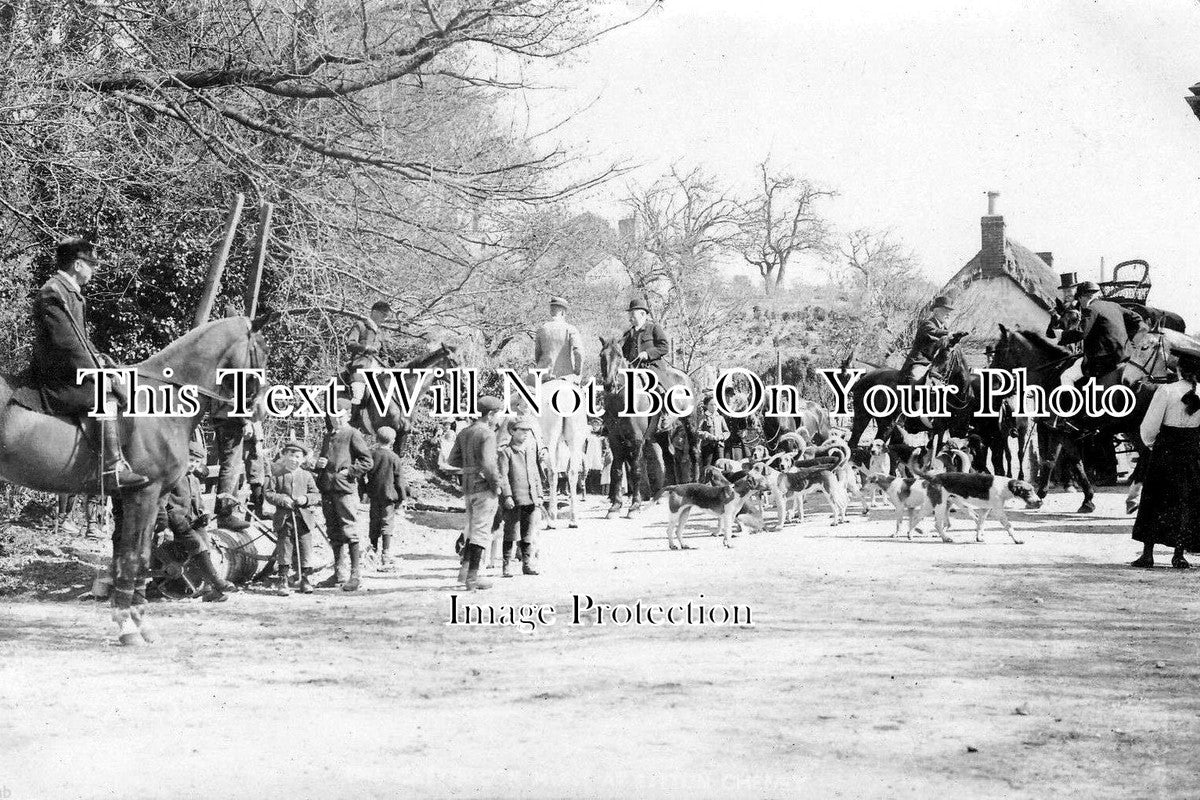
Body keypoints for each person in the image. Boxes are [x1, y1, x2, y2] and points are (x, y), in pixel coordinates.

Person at [31, 239, 147, 489]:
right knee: (105, 397)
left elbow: (81, 341)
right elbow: (65, 343)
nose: (93, 270)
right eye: (91, 265)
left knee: (120, 384)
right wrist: (96, 374)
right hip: (57, 375)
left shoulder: (68, 290)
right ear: (77, 264)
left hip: (70, 368)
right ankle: (112, 468)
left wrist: (101, 359)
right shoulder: (53, 291)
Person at [1130, 346, 1200, 569]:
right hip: (1190, 451)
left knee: (1154, 499)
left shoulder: (1166, 391)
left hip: (1166, 450)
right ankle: (1179, 555)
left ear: (1178, 369)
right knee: (1185, 500)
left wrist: (1153, 445)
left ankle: (1147, 555)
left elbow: (1149, 427)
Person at [158, 441, 237, 602]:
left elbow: (197, 501)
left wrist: (203, 513)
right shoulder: (171, 477)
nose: (193, 464)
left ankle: (209, 589)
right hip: (177, 522)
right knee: (196, 544)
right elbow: (161, 503)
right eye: (190, 460)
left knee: (206, 546)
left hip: (193, 522)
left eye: (196, 461)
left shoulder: (193, 479)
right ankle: (217, 582)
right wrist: (164, 527)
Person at [314, 397, 374, 591]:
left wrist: (350, 471)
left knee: (349, 530)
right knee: (333, 530)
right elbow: (326, 459)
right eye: (332, 415)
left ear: (348, 415)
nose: (335, 419)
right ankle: (339, 573)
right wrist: (319, 464)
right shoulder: (327, 435)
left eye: (339, 415)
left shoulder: (353, 433)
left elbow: (367, 461)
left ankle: (355, 575)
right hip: (327, 488)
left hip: (344, 489)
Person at [448, 395, 504, 590]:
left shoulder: (464, 432)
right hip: (484, 486)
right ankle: (472, 578)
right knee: (481, 532)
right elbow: (489, 464)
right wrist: (496, 484)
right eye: (497, 414)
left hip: (468, 488)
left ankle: (463, 574)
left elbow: (452, 460)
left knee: (472, 529)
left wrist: (470, 465)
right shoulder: (487, 434)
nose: (498, 418)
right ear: (489, 415)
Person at [1059, 281, 1142, 389]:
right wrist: (1131, 343)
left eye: (1079, 299)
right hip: (1126, 356)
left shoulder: (1091, 309)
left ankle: (1071, 404)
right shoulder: (1115, 306)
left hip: (1104, 362)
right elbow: (1138, 319)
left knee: (1066, 376)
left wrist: (1062, 336)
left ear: (1082, 297)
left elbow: (1081, 333)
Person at [264, 440, 321, 595]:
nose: (293, 459)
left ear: (303, 459)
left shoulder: (307, 475)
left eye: (297, 456)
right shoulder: (276, 474)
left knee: (305, 548)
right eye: (290, 455)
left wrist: (306, 499)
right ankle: (283, 580)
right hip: (284, 519)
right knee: (285, 548)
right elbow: (268, 493)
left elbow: (316, 494)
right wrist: (282, 499)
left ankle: (305, 579)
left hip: (304, 519)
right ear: (284, 455)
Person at [497, 417, 545, 578]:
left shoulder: (530, 451)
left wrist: (539, 494)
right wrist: (507, 496)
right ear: (512, 431)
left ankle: (526, 564)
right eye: (522, 431)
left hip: (531, 498)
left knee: (528, 533)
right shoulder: (506, 452)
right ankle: (506, 566)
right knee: (510, 532)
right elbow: (503, 476)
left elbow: (536, 474)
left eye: (527, 431)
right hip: (514, 499)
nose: (525, 434)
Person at [365, 426, 409, 570]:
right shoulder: (394, 457)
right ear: (393, 441)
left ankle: (373, 550)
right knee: (387, 522)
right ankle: (386, 553)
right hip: (389, 496)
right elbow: (399, 479)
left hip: (374, 493)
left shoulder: (371, 454)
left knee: (374, 520)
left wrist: (364, 489)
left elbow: (363, 474)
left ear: (376, 439)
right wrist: (402, 497)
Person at [346, 300, 391, 428]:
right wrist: (365, 348)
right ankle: (352, 424)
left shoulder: (380, 332)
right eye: (383, 315)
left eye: (386, 316)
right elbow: (350, 344)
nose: (385, 319)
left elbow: (385, 353)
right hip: (361, 366)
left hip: (379, 368)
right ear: (374, 312)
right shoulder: (360, 325)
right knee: (358, 394)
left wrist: (386, 361)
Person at [902, 295, 965, 383]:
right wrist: (949, 333)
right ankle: (907, 396)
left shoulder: (945, 328)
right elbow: (935, 332)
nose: (948, 314)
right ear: (936, 311)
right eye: (945, 310)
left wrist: (957, 338)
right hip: (919, 361)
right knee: (916, 378)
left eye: (950, 311)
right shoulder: (927, 324)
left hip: (934, 364)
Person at [621, 297, 671, 387]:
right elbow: (622, 352)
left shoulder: (654, 328)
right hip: (632, 370)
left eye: (632, 313)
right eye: (629, 314)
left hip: (651, 368)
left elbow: (664, 347)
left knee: (659, 390)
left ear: (642, 314)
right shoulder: (627, 334)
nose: (630, 317)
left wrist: (648, 354)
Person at [533, 296, 583, 381]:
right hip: (565, 377)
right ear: (563, 312)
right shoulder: (571, 329)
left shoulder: (541, 329)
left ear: (551, 312)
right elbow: (579, 352)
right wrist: (577, 372)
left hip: (543, 376)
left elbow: (537, 354)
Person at [697, 395, 729, 470]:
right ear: (706, 406)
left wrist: (722, 436)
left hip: (719, 446)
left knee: (720, 466)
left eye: (715, 404)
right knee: (707, 467)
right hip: (708, 446)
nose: (714, 406)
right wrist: (707, 435)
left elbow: (727, 432)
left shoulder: (720, 418)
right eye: (711, 405)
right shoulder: (703, 417)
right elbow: (698, 431)